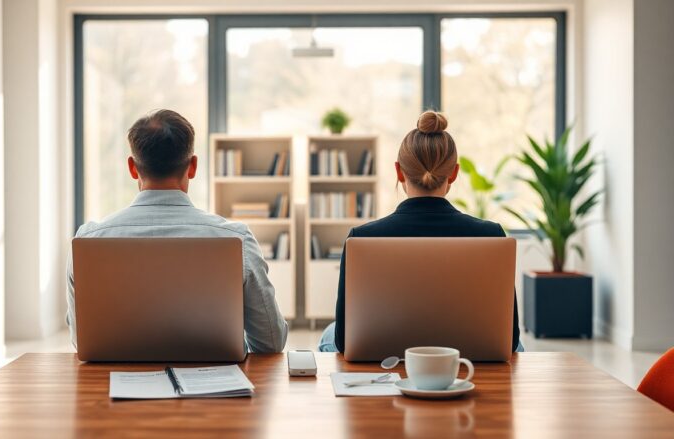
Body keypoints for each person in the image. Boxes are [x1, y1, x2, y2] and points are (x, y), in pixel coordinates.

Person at [67, 109, 288, 353]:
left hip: (109, 384)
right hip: (217, 382)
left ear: (132, 168)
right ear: (192, 166)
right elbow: (271, 341)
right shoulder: (236, 239)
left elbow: (82, 341)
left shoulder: (87, 240)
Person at [318, 110, 522, 353]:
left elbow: (343, 341)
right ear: (454, 173)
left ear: (399, 171)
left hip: (385, 357)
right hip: (468, 357)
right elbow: (510, 339)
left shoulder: (362, 238)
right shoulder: (491, 235)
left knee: (330, 333)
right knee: (520, 345)